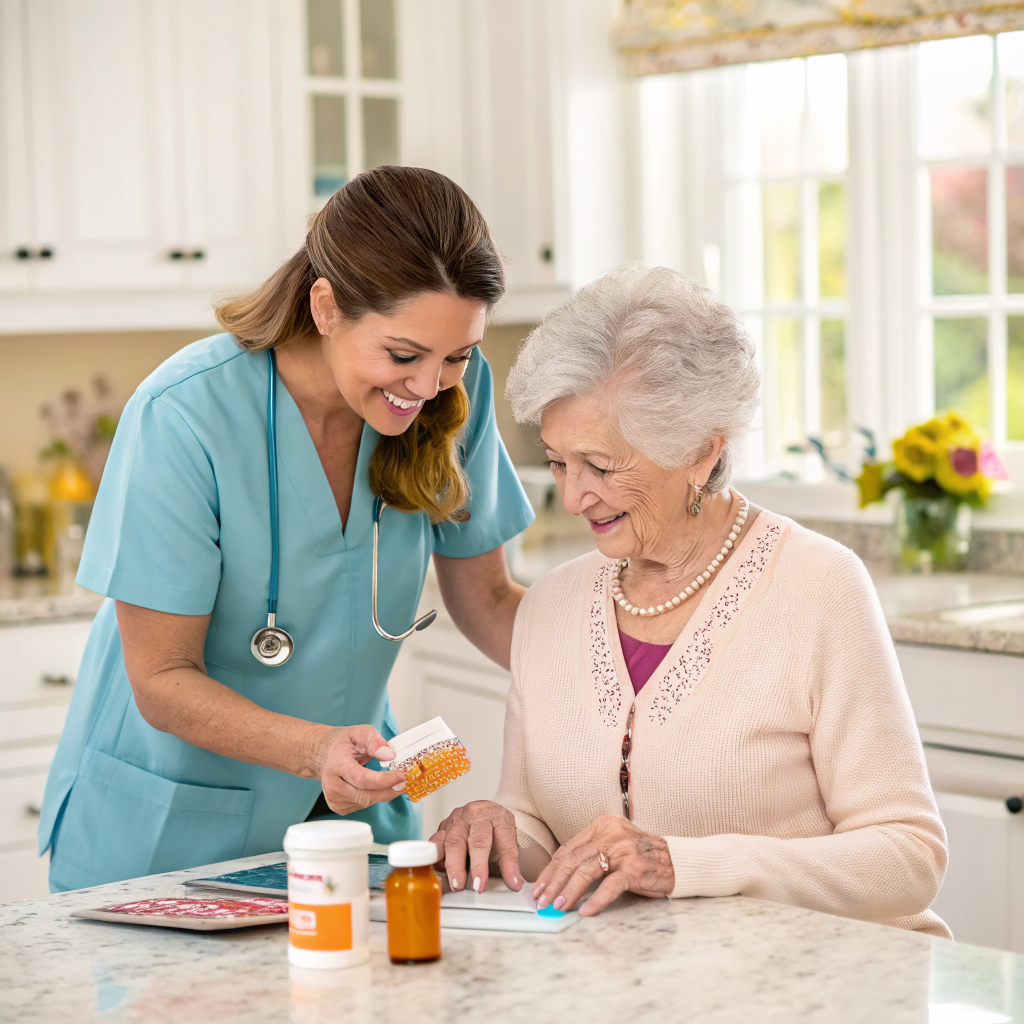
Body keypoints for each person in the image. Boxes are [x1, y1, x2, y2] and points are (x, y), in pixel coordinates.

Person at [39, 166, 534, 891]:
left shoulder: (457, 392)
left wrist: (628, 669)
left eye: (456, 355)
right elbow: (162, 678)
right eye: (402, 355)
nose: (428, 388)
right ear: (327, 307)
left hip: (346, 831)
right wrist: (316, 750)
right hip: (169, 840)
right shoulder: (185, 415)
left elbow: (489, 603)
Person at [430, 264, 951, 938]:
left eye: (602, 465)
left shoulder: (818, 587)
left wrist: (688, 864)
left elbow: (909, 857)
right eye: (559, 462)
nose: (575, 494)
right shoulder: (551, 606)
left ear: (704, 454)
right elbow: (536, 822)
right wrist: (498, 830)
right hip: (641, 990)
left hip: (817, 986)